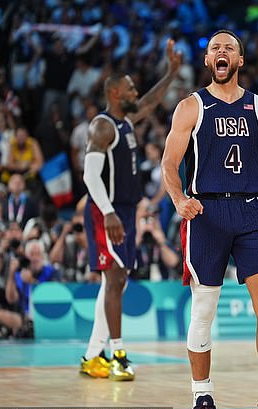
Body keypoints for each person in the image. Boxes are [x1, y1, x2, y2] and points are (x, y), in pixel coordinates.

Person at [161, 30, 258, 409]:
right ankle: (202, 399)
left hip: (251, 212)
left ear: (239, 61)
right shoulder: (191, 107)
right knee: (204, 310)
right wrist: (179, 200)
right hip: (205, 214)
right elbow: (168, 164)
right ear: (208, 61)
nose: (221, 52)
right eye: (215, 48)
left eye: (229, 48)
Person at [79, 39, 181, 381]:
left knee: (117, 282)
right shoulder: (103, 126)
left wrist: (170, 74)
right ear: (114, 93)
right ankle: (118, 354)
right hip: (105, 211)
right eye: (130, 87)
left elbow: (150, 102)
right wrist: (108, 213)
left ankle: (94, 355)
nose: (136, 90)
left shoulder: (126, 122)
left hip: (123, 209)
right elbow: (90, 175)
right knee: (114, 278)